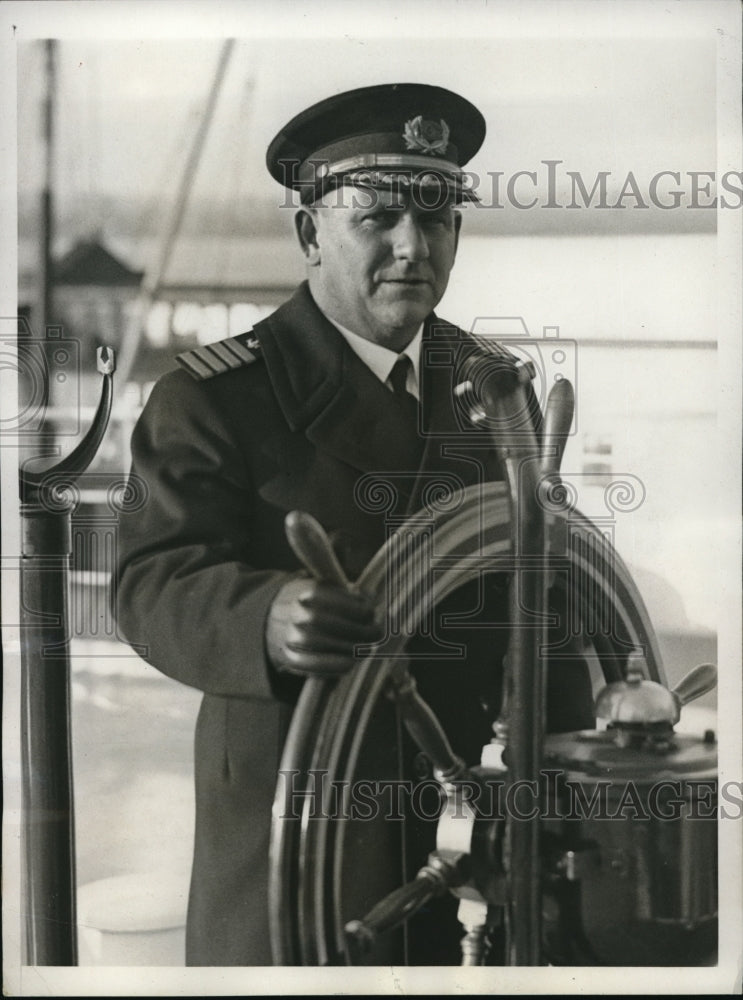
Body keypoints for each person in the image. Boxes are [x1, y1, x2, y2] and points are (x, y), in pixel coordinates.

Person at [114, 82, 594, 966]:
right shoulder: (216, 397)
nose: (413, 246)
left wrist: (572, 780)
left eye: (438, 216)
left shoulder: (492, 388)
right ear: (309, 235)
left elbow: (541, 594)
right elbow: (150, 582)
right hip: (297, 828)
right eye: (376, 218)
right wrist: (267, 616)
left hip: (472, 831)